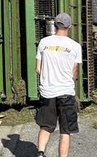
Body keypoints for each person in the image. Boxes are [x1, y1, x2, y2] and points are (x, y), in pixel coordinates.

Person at [35, 12, 82, 157]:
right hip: (66, 92)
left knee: (46, 126)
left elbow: (38, 69)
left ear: (55, 25)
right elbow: (74, 72)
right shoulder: (75, 46)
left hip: (47, 91)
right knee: (65, 130)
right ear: (69, 26)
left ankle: (41, 153)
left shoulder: (44, 42)